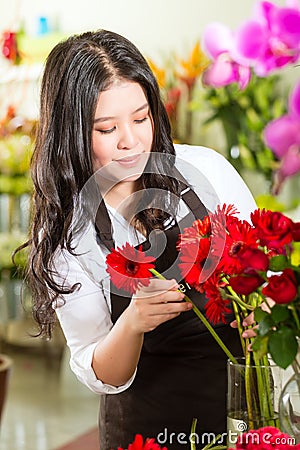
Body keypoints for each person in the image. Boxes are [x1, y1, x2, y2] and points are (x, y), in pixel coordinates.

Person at [23, 29, 257, 449]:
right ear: (72, 132)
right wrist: (133, 321)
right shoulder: (67, 232)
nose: (131, 141)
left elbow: (264, 267)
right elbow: (102, 373)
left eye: (141, 118)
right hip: (147, 430)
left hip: (243, 416)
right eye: (106, 128)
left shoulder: (207, 172)